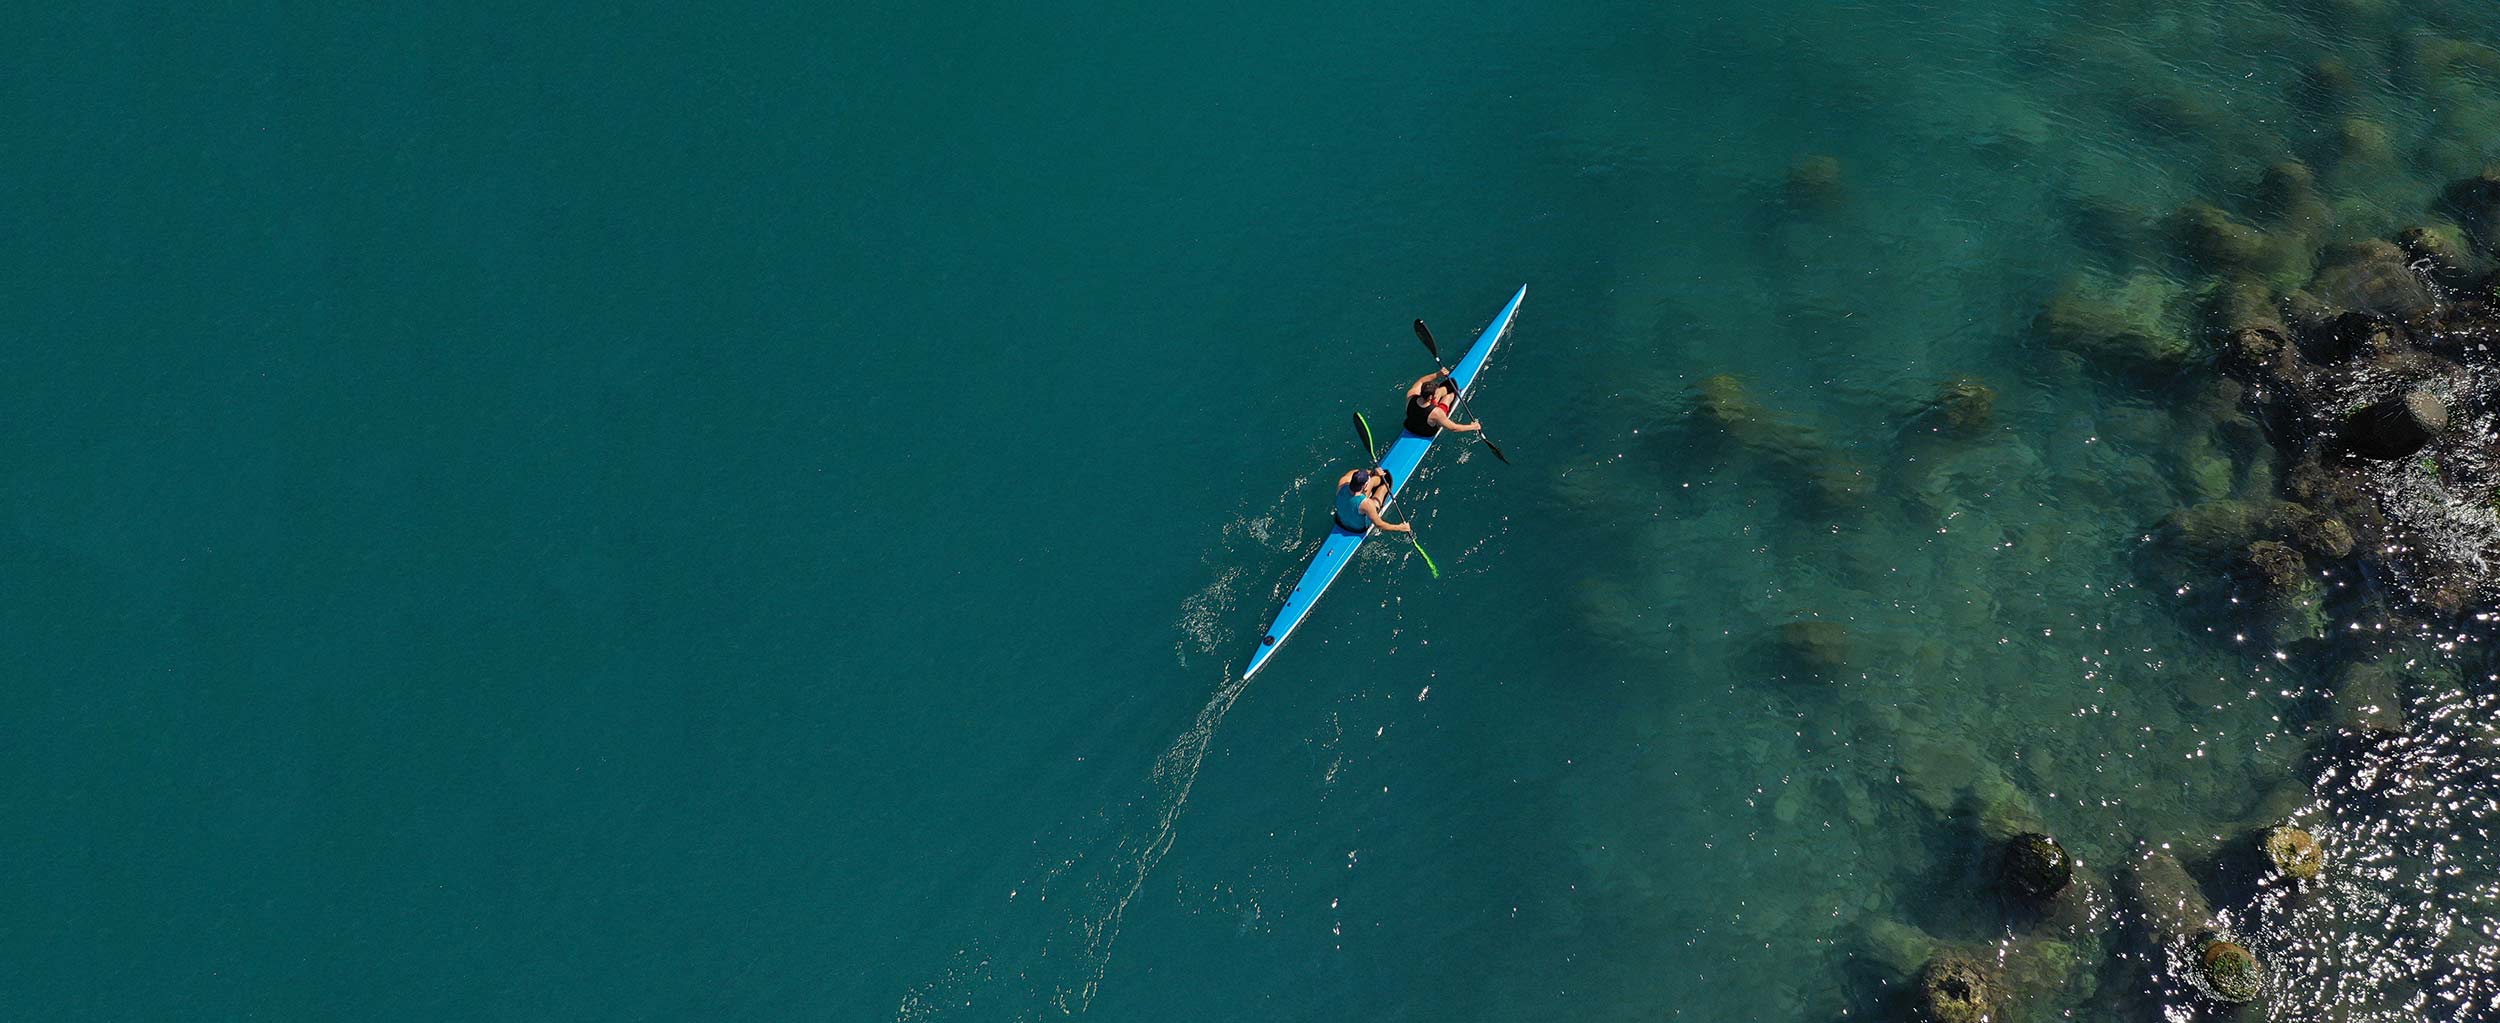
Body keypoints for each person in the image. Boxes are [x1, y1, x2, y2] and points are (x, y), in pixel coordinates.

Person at [1403, 369, 1483, 437]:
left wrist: (1438, 374)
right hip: (1426, 432)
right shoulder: (1436, 413)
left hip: (1410, 426)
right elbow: (1454, 428)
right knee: (1449, 396)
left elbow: (1421, 381)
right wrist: (1473, 426)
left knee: (1439, 393)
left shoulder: (1411, 395)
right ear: (1430, 397)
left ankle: (1441, 392)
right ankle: (1454, 392)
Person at [1333, 467, 1410, 534]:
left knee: (1372, 480)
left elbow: (1354, 471)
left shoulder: (1342, 482)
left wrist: (1373, 472)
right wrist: (1400, 527)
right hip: (1357, 528)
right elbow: (1379, 524)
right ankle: (1382, 481)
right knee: (1385, 485)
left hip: (1340, 521)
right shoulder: (1367, 504)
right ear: (1364, 486)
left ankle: (1378, 478)